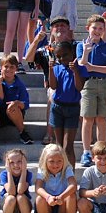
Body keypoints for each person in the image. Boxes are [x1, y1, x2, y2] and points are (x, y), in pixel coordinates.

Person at [24, 15, 73, 146]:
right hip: (54, 86)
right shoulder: (47, 50)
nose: (60, 28)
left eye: (63, 25)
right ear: (51, 30)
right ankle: (49, 133)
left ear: (68, 29)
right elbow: (28, 59)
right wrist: (35, 40)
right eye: (56, 26)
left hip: (74, 85)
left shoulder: (76, 46)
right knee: (52, 96)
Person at [76, 15, 106, 167]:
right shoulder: (81, 45)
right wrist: (86, 53)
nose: (97, 31)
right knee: (87, 118)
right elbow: (82, 64)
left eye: (101, 28)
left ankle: (102, 151)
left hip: (105, 84)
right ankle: (87, 152)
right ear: (88, 28)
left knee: (101, 119)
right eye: (94, 28)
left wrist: (93, 67)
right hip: (89, 85)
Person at [0, 54, 33, 166]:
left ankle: (22, 132)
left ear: (16, 69)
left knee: (12, 107)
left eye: (12, 67)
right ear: (1, 68)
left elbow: (25, 105)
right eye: (6, 66)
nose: (8, 69)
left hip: (14, 114)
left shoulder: (20, 85)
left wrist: (17, 103)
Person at [47, 40, 85, 167]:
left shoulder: (79, 69)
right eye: (58, 56)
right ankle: (59, 174)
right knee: (58, 145)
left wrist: (75, 72)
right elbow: (53, 86)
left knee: (68, 146)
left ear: (72, 53)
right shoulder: (57, 69)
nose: (62, 59)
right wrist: (50, 69)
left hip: (72, 109)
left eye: (65, 55)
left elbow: (79, 87)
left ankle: (71, 177)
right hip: (57, 107)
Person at [35, 143, 78, 213]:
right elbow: (38, 187)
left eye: (59, 161)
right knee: (39, 198)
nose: (55, 165)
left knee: (71, 195)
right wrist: (48, 197)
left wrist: (62, 197)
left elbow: (73, 185)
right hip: (47, 206)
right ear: (45, 161)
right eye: (51, 161)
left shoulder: (67, 168)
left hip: (62, 205)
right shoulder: (42, 169)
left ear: (64, 160)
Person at [0, 148, 34, 213]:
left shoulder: (28, 174)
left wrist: (24, 170)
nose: (16, 165)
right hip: (9, 208)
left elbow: (20, 190)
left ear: (24, 162)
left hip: (24, 206)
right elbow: (11, 191)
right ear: (7, 164)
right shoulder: (4, 174)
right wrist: (9, 171)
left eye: (19, 161)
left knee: (20, 196)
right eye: (12, 163)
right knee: (11, 198)